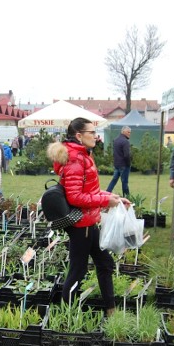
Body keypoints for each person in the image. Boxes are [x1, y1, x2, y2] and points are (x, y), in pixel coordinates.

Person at [47, 117, 127, 315]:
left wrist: (112, 197)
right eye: (92, 132)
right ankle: (67, 316)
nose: (96, 136)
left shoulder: (83, 155)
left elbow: (91, 190)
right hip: (80, 225)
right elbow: (75, 197)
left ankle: (111, 310)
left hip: (89, 221)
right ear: (79, 135)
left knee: (105, 264)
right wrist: (104, 201)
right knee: (77, 271)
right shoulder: (75, 159)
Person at [106, 126, 132, 197]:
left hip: (117, 164)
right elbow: (126, 155)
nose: (129, 134)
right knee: (124, 182)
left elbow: (115, 153)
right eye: (128, 132)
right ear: (123, 131)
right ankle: (127, 197)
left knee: (114, 180)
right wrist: (128, 164)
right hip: (124, 165)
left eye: (130, 132)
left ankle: (107, 193)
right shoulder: (125, 141)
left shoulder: (116, 140)